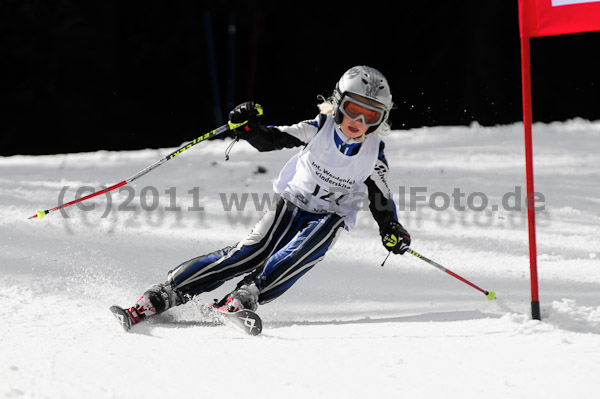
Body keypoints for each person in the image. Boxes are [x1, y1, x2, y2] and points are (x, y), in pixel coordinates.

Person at [116, 65, 411, 327]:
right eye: (352, 108)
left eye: (371, 114)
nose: (358, 120)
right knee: (251, 252)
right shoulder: (318, 129)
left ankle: (248, 294)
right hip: (294, 201)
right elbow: (273, 139)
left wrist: (391, 227)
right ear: (337, 104)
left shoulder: (374, 155)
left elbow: (380, 197)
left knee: (303, 251)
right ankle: (167, 291)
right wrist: (249, 129)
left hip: (331, 214)